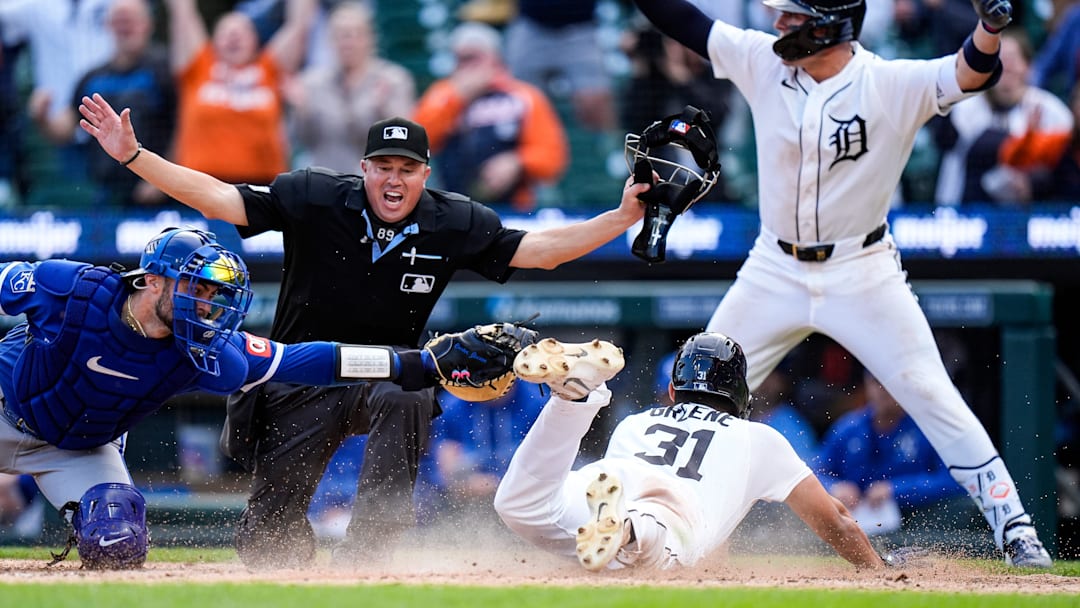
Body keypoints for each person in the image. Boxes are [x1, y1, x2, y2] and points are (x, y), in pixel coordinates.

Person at [77, 94, 648, 569]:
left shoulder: (453, 220)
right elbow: (222, 199)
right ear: (365, 168)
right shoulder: (316, 196)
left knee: (406, 394)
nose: (394, 179)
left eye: (407, 169)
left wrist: (621, 219)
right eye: (384, 166)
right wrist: (134, 156)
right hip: (303, 373)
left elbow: (540, 252)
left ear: (425, 174)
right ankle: (284, 564)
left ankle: (367, 557)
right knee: (269, 543)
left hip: (389, 371)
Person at [629, 0, 1053, 567]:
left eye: (791, 16)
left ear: (828, 25)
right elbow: (682, 20)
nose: (777, 24)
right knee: (696, 388)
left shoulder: (887, 81)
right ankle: (647, 525)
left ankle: (1017, 530)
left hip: (862, 267)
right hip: (772, 266)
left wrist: (991, 27)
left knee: (929, 390)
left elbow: (969, 72)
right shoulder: (762, 61)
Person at [0, 226, 509, 569]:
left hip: (79, 450)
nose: (208, 305)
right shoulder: (69, 289)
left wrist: (415, 363)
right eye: (196, 289)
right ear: (153, 280)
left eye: (213, 295)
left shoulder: (210, 352)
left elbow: (306, 360)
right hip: (5, 407)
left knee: (117, 543)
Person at [496, 332, 886, 571]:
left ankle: (575, 399)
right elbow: (836, 521)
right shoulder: (757, 438)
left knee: (519, 505)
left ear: (671, 391)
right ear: (740, 396)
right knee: (657, 547)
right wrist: (877, 569)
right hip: (665, 515)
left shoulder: (637, 423)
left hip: (600, 487)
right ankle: (628, 528)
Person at [35, 0, 176, 208]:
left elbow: (186, 128)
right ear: (107, 26)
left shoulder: (166, 69)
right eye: (119, 20)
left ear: (148, 24)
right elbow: (65, 129)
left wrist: (164, 181)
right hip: (107, 190)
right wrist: (42, 117)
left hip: (158, 192)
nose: (124, 26)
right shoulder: (92, 77)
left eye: (130, 20)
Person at [413, 21, 568, 211]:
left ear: (495, 58)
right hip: (452, 208)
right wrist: (457, 98)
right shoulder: (442, 95)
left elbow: (553, 158)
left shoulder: (523, 96)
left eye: (473, 58)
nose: (467, 67)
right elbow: (416, 144)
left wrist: (517, 162)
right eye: (461, 59)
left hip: (514, 207)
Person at [165, 0, 316, 185]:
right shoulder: (198, 66)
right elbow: (183, 13)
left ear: (256, 40)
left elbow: (299, 25)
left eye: (243, 32)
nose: (234, 36)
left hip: (262, 186)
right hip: (200, 185)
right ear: (213, 41)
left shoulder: (269, 69)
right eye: (226, 32)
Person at [932, 30, 1073, 205]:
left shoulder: (1049, 109)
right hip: (967, 210)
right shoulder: (964, 106)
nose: (1007, 67)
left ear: (1029, 67)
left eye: (1013, 59)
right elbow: (953, 150)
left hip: (1034, 210)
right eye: (1000, 59)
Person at [815, 372, 966, 536]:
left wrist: (895, 489)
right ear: (867, 386)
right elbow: (815, 471)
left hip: (917, 525)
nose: (883, 390)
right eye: (876, 382)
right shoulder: (849, 426)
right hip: (856, 523)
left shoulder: (927, 427)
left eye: (890, 383)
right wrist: (835, 487)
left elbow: (954, 481)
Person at [284, 1, 416, 173]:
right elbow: (300, 141)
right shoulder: (311, 83)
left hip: (374, 183)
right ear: (330, 40)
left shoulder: (392, 79)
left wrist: (384, 109)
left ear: (371, 38)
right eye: (341, 35)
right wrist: (301, 111)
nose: (348, 42)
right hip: (326, 180)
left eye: (355, 35)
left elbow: (406, 139)